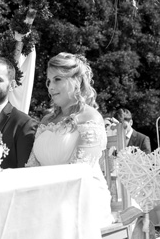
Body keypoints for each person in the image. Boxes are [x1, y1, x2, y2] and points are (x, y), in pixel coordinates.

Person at [25, 52, 113, 228]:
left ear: (77, 81)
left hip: (81, 204)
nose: (50, 87)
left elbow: (80, 172)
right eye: (49, 81)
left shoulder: (90, 118)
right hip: (47, 202)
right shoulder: (46, 120)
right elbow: (32, 166)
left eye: (58, 79)